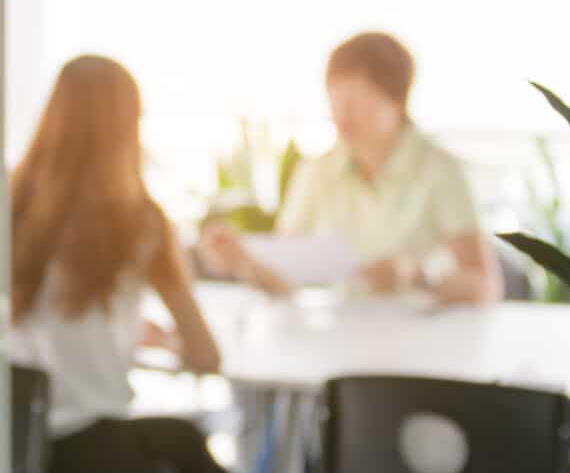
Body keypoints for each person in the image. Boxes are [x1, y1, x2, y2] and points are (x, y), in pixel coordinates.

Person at [8, 55, 251, 473]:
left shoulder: (6, 204)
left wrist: (126, 333)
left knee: (180, 448)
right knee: (191, 457)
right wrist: (169, 343)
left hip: (8, 455)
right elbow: (206, 357)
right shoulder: (140, 222)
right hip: (92, 466)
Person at [200, 32, 503, 304]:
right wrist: (244, 262)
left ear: (396, 101)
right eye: (334, 102)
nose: (341, 116)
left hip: (423, 338)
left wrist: (416, 277)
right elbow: (283, 281)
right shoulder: (318, 171)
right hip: (341, 338)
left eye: (356, 102)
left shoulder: (439, 169)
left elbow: (485, 286)